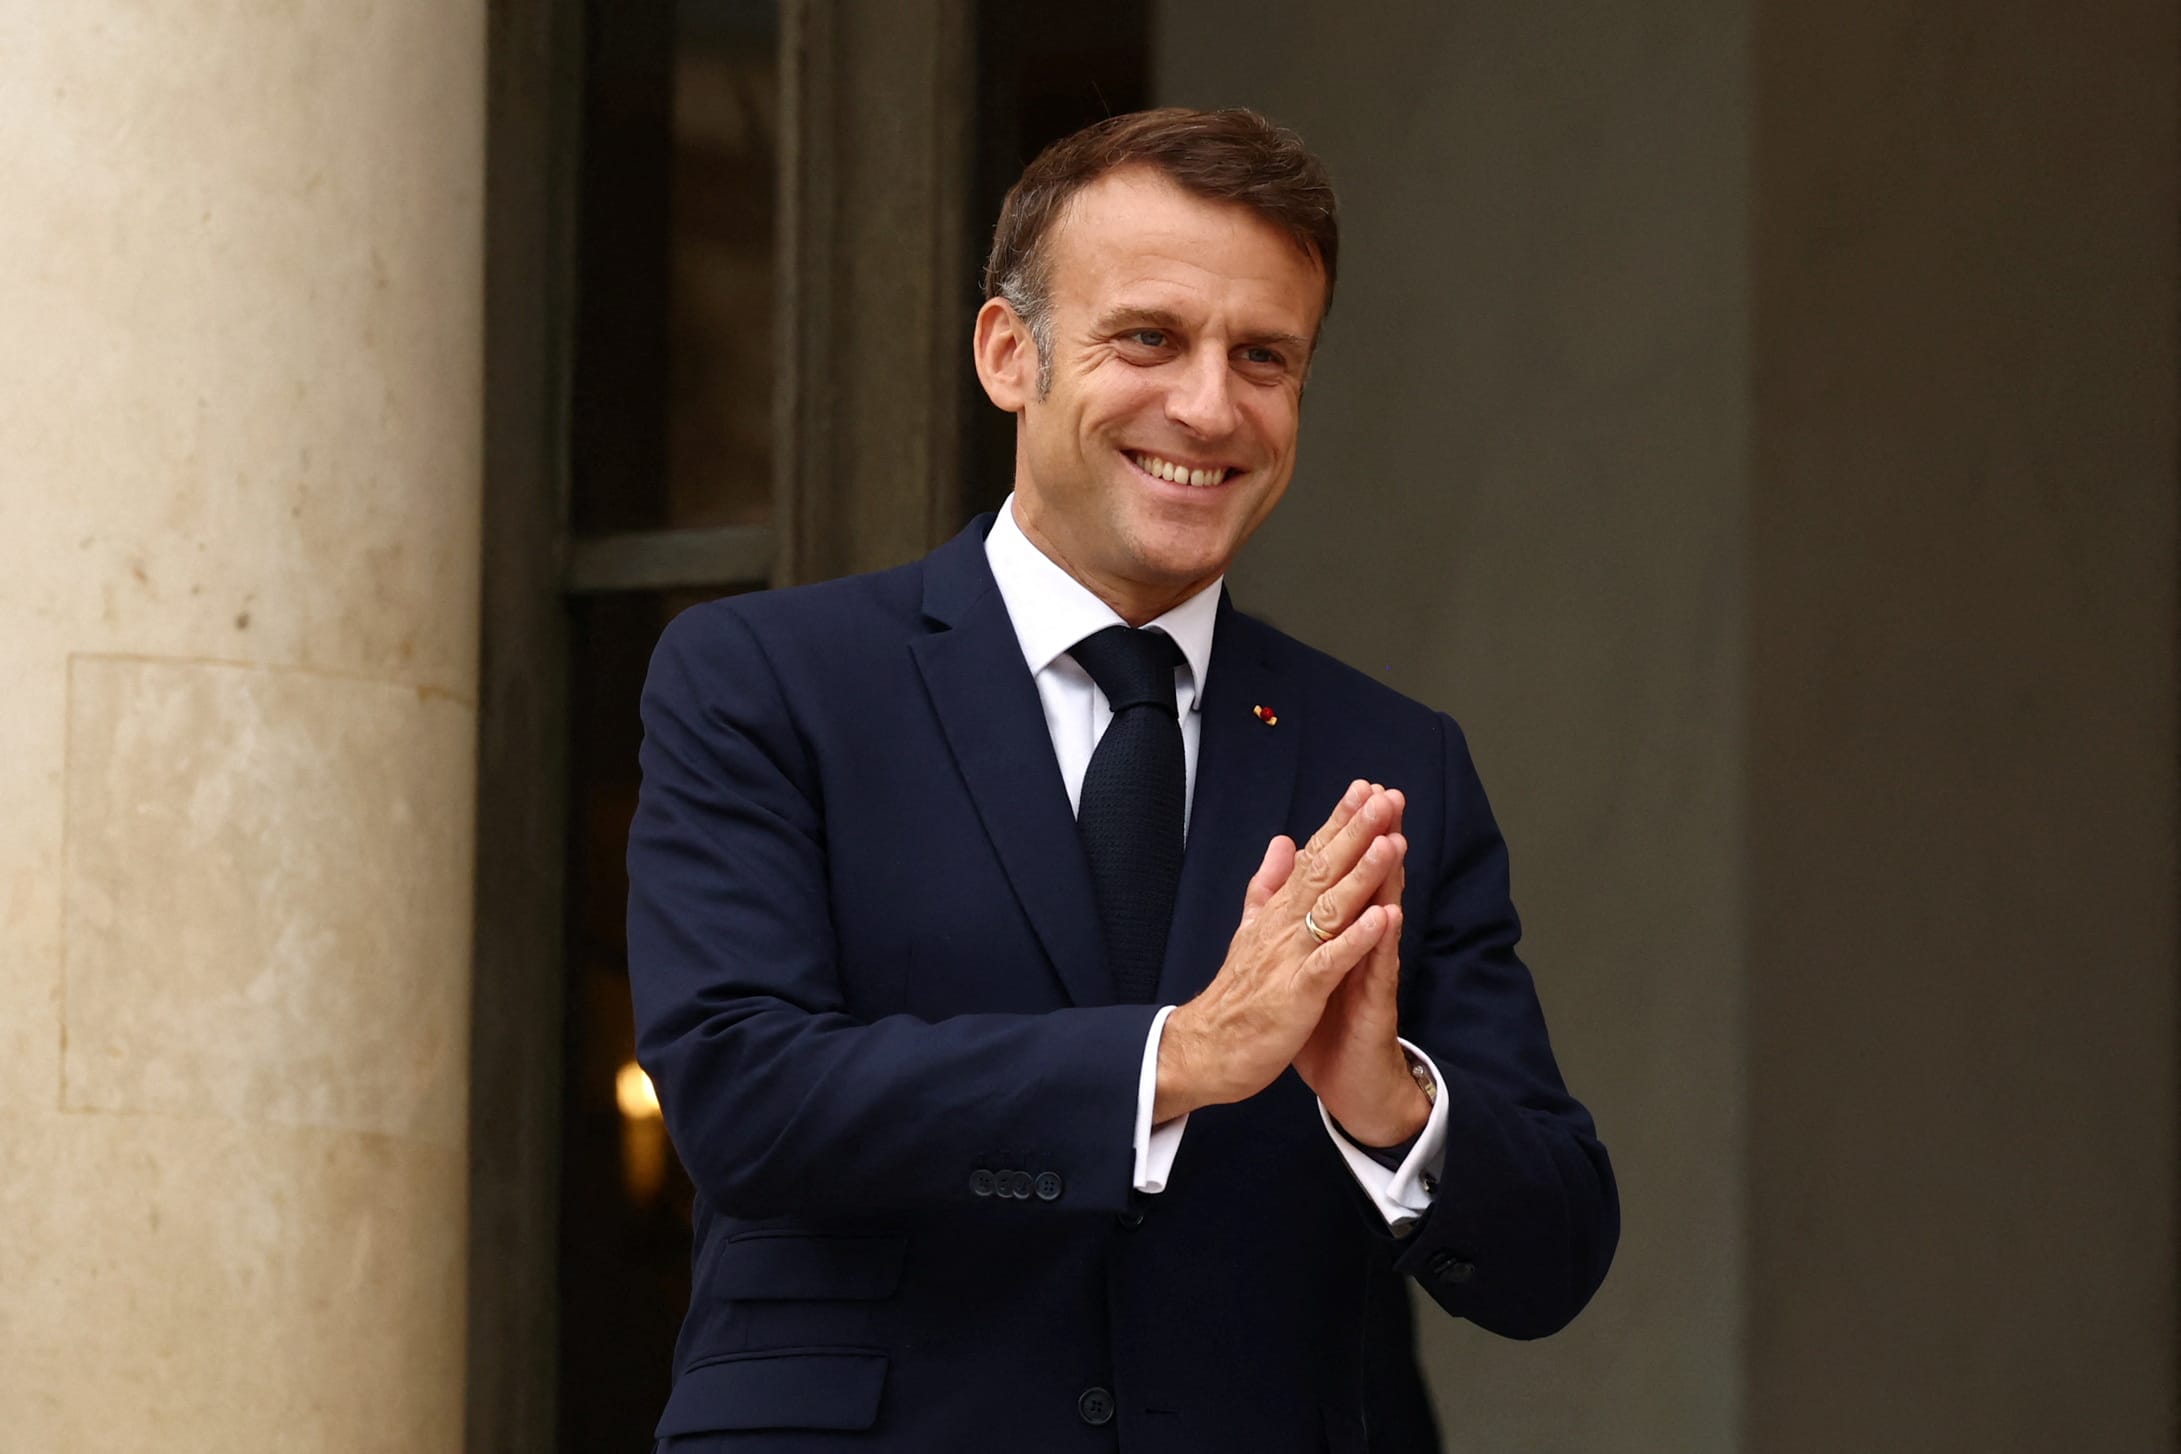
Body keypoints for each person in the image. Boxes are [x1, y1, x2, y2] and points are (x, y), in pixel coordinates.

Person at [628, 107, 1617, 1453]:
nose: (1208, 406)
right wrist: (1174, 1059)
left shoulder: (1390, 761)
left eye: (1262, 357)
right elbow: (745, 1095)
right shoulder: (763, 679)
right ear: (1006, 354)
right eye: (1148, 337)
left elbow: (1552, 1250)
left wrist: (1390, 1104)